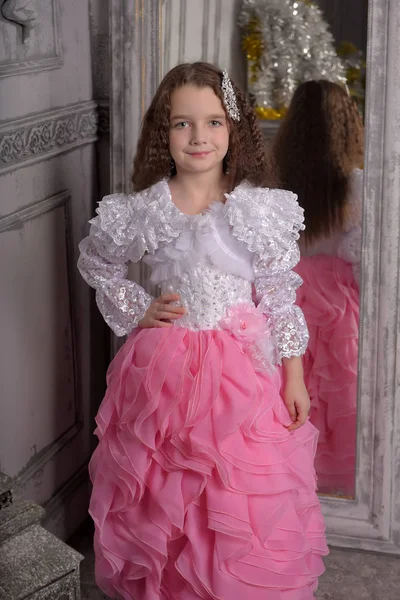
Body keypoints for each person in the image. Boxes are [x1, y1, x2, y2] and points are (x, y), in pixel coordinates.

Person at [78, 62, 328, 600]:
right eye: (182, 124)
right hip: (164, 373)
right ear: (161, 132)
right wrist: (137, 307)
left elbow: (281, 295)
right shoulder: (142, 209)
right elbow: (97, 264)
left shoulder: (260, 209)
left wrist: (293, 377)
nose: (199, 137)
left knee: (237, 490)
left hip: (243, 375)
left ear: (234, 128)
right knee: (170, 490)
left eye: (214, 122)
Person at [272, 79, 364, 496]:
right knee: (337, 388)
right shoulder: (355, 184)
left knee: (289, 386)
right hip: (337, 297)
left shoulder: (275, 178)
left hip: (289, 291)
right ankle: (333, 482)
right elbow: (358, 248)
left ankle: (290, 478)